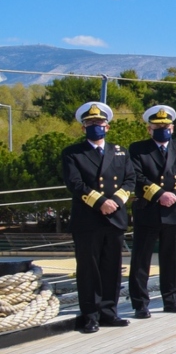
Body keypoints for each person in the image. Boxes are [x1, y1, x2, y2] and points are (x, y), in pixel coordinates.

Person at [61, 102, 135, 333]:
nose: (96, 126)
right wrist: (100, 202)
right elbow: (75, 183)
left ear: (108, 126)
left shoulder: (120, 151)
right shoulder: (73, 153)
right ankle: (90, 315)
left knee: (112, 268)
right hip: (88, 218)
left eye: (99, 123)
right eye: (90, 123)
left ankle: (109, 312)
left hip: (115, 216)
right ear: (83, 128)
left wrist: (116, 202)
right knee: (88, 269)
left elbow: (130, 180)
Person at [127, 105, 176, 318]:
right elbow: (137, 176)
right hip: (148, 210)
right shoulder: (138, 149)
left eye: (166, 126)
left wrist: (175, 194)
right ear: (149, 129)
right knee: (141, 260)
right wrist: (159, 195)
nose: (162, 129)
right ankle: (140, 304)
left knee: (173, 259)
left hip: (174, 209)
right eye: (157, 126)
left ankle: (172, 300)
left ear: (172, 128)